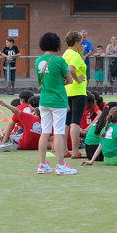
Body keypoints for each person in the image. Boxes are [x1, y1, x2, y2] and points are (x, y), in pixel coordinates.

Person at [35, 32, 76, 175]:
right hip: (58, 100)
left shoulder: (38, 60)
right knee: (58, 132)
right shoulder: (59, 61)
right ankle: (60, 165)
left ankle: (42, 164)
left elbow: (42, 80)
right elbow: (70, 80)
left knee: (45, 132)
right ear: (57, 44)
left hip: (44, 100)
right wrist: (62, 81)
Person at [62, 31, 87, 159]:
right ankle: (75, 151)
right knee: (75, 122)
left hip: (67, 91)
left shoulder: (66, 53)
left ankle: (65, 150)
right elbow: (72, 69)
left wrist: (81, 54)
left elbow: (71, 67)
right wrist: (77, 79)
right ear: (76, 42)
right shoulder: (75, 55)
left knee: (66, 122)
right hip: (78, 91)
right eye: (80, 41)